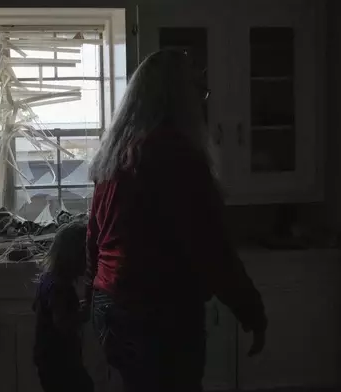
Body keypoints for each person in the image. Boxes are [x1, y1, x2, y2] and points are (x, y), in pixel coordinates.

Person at [85, 50, 267, 391]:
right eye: (198, 90)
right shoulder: (177, 156)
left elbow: (95, 235)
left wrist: (89, 293)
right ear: (179, 98)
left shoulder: (114, 154)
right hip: (157, 311)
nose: (202, 99)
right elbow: (212, 249)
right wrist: (251, 310)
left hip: (109, 304)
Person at [33, 220, 94, 392]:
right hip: (60, 360)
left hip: (47, 359)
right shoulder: (60, 286)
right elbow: (63, 323)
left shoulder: (47, 279)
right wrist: (85, 312)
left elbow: (40, 309)